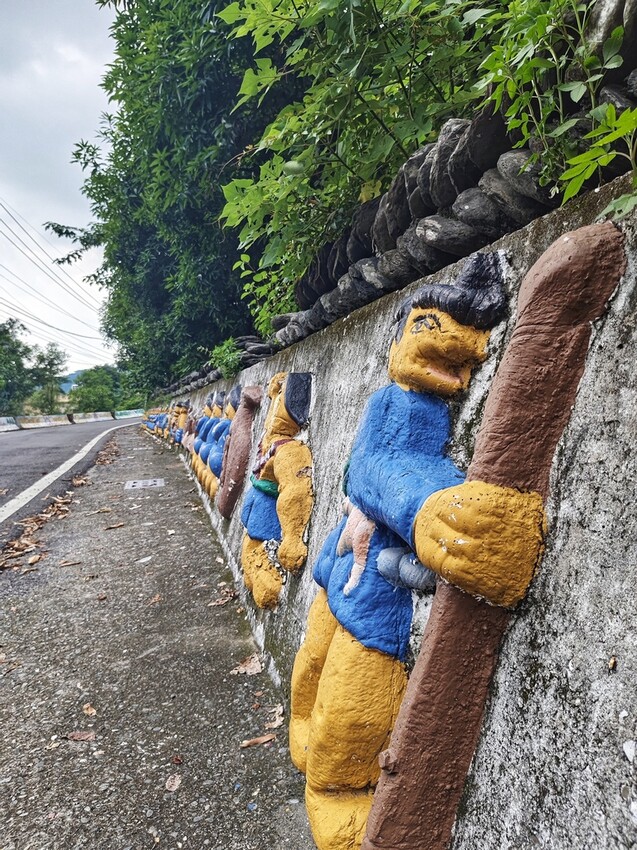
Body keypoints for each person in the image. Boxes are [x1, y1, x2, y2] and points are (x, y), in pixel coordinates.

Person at [290, 252, 517, 850]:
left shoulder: (414, 411)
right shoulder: (389, 403)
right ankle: (301, 736)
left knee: (346, 711)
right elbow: (370, 466)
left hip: (374, 597)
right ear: (398, 337)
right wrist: (424, 507)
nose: (453, 359)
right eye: (428, 330)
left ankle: (333, 794)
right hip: (343, 569)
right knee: (310, 673)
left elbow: (394, 465)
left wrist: (428, 504)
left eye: (470, 356)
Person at [240, 372, 313, 609]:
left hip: (265, 534)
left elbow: (295, 490)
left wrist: (291, 538)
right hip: (250, 529)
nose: (272, 414)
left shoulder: (287, 450)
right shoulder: (267, 444)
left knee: (266, 591)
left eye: (281, 401)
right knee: (249, 575)